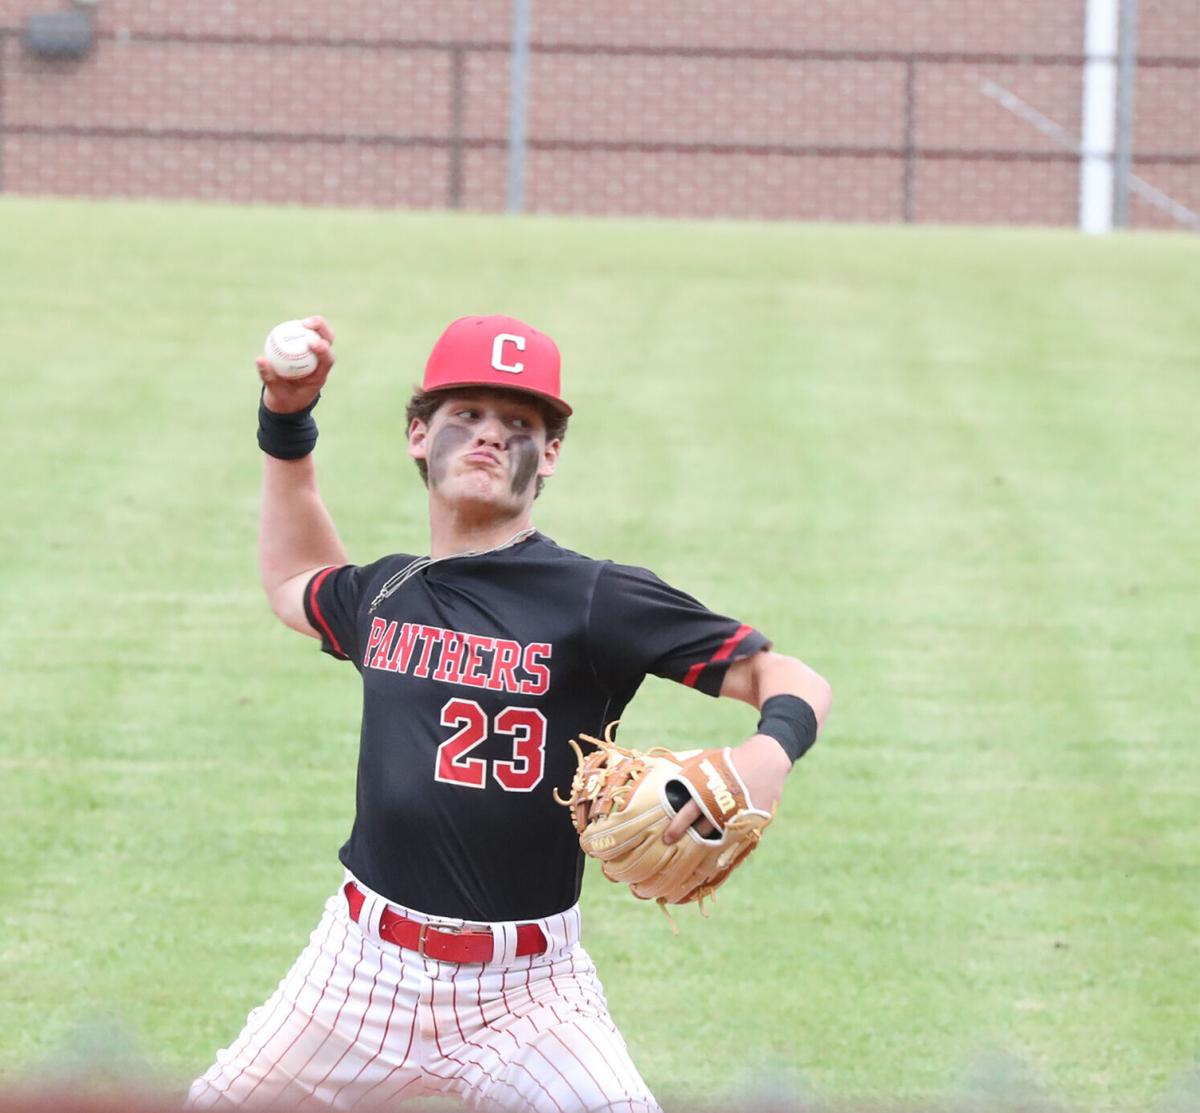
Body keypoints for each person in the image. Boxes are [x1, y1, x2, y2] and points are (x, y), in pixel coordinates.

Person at [186, 314, 832, 1112]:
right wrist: (286, 419)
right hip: (353, 973)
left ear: (549, 455)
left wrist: (767, 755)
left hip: (527, 996)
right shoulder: (388, 594)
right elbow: (297, 578)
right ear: (420, 435)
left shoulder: (594, 597)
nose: (490, 435)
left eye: (519, 423)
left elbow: (786, 674)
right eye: (466, 414)